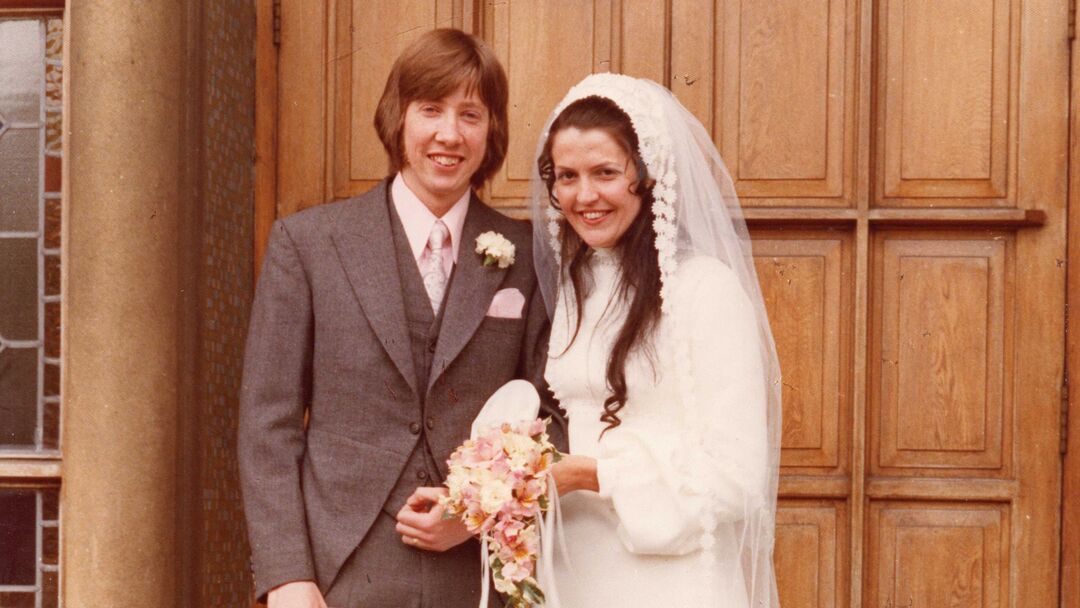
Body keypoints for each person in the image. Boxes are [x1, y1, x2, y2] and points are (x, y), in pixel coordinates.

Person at [237, 29, 558, 608]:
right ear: (397, 117)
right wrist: (287, 575)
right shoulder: (309, 244)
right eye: (430, 110)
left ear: (493, 131)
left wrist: (476, 512)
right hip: (338, 565)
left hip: (478, 570)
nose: (449, 134)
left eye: (471, 114)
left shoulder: (527, 255)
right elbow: (268, 425)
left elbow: (553, 411)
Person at [534, 73, 782, 607]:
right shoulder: (569, 290)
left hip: (669, 582)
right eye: (568, 176)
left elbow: (738, 477)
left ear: (646, 177)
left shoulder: (704, 289)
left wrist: (599, 476)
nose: (585, 196)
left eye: (605, 173)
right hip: (571, 576)